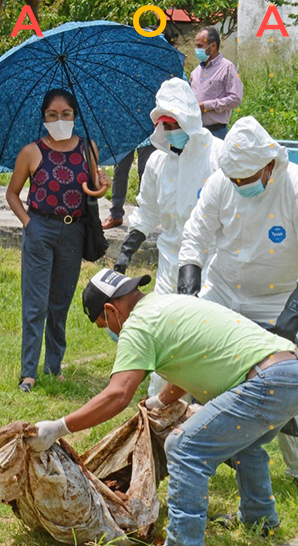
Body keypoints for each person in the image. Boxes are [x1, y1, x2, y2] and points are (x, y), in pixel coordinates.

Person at [27, 269, 298, 546]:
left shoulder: (137, 324)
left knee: (184, 446)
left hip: (267, 382)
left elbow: (118, 394)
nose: (109, 331)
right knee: (244, 445)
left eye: (104, 325)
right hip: (294, 372)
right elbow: (190, 360)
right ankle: (260, 519)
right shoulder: (166, 305)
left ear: (111, 310)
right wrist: (160, 401)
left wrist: (59, 427)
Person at [178, 116, 298, 493]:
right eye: (233, 180)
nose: (238, 186)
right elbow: (196, 236)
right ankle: (168, 446)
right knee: (180, 366)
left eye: (245, 181)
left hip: (278, 299)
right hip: (223, 289)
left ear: (269, 165)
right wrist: (188, 286)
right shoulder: (222, 182)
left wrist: (292, 315)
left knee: (290, 386)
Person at [114, 77, 222, 396]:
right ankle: (159, 414)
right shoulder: (158, 163)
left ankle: (201, 413)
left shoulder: (216, 156)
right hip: (169, 262)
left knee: (202, 341)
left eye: (174, 123)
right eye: (164, 124)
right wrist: (125, 253)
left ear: (188, 118)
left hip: (210, 262)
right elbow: (146, 212)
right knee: (163, 340)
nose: (169, 129)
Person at [6, 89, 110, 392]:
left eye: (66, 114)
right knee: (35, 303)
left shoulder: (88, 147)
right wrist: (29, 224)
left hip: (74, 232)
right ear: (44, 117)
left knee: (60, 302)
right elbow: (12, 193)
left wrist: (101, 186)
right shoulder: (31, 151)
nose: (59, 119)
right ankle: (29, 372)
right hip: (40, 230)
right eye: (52, 114)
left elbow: (92, 189)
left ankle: (54, 365)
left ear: (75, 116)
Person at [189, 26, 243, 140]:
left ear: (212, 46)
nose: (197, 50)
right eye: (196, 46)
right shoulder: (195, 72)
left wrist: (206, 106)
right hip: (196, 130)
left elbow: (236, 98)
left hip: (216, 131)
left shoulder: (227, 68)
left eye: (200, 46)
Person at [102, 143, 154, 230]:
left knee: (145, 172)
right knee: (120, 170)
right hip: (126, 132)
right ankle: (115, 215)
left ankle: (142, 217)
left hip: (147, 133)